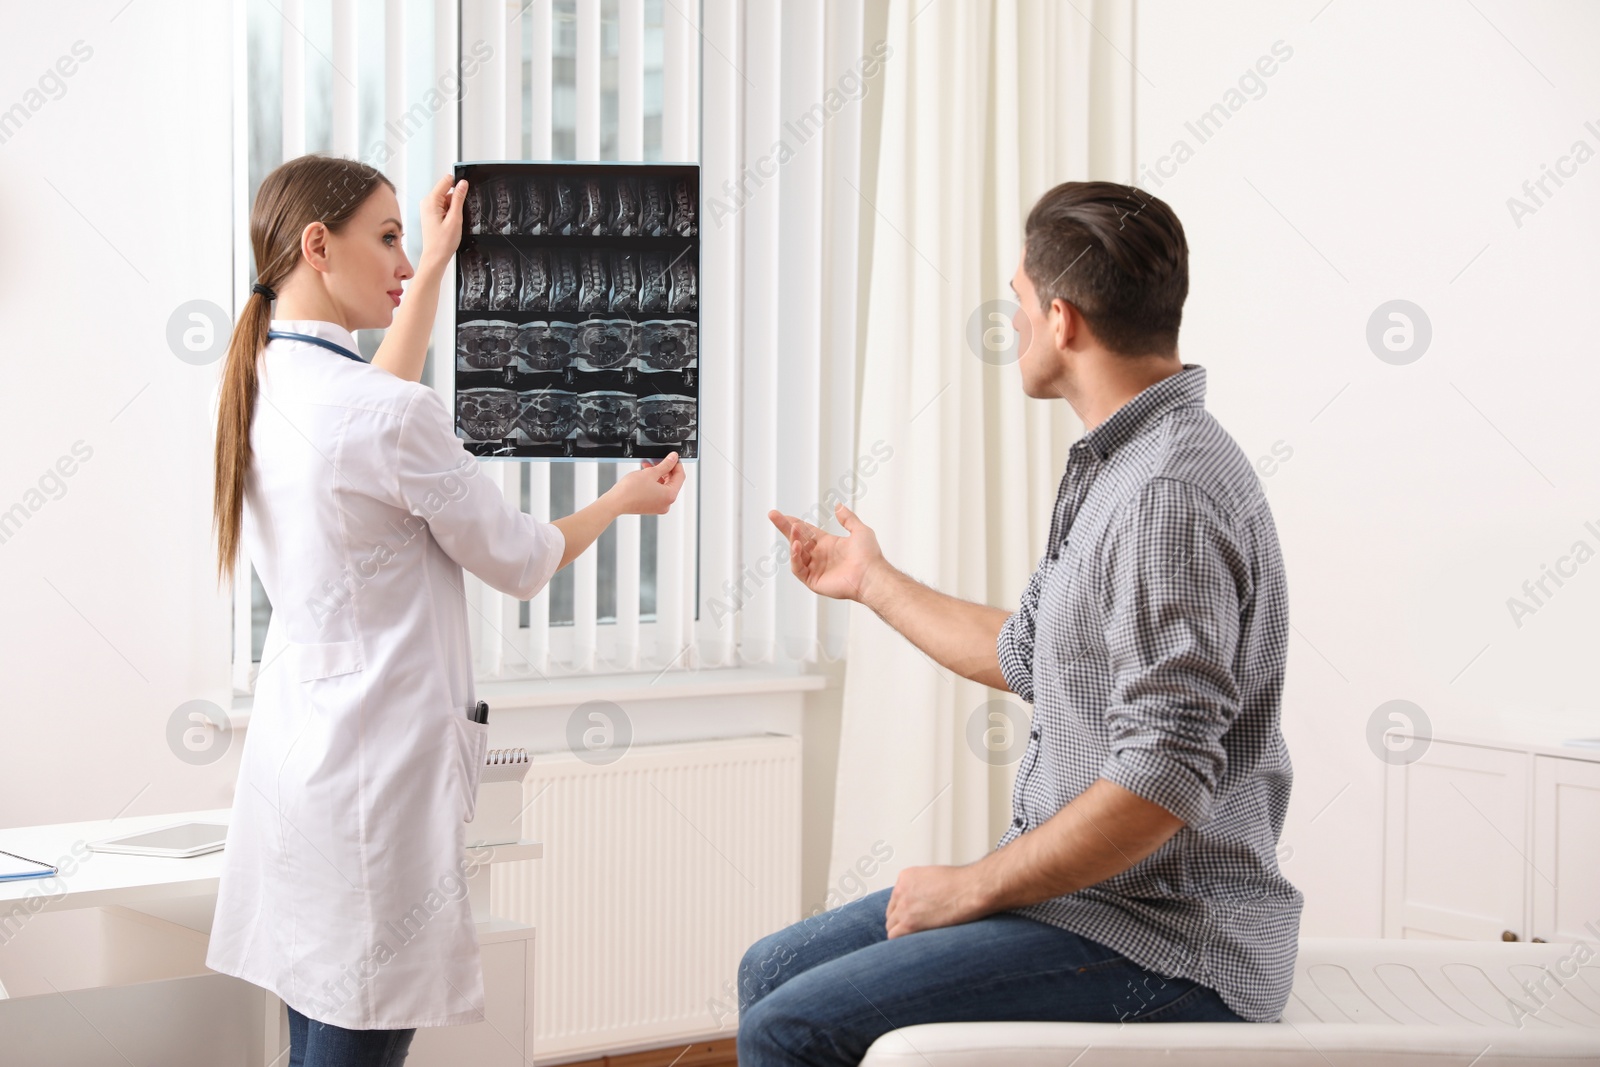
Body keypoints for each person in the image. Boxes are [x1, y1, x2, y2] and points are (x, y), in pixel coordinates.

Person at [745, 181, 1302, 1064]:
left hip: (1166, 943)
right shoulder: (1117, 465)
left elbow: (1163, 775)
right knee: (771, 972)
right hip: (1093, 905)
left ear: (1063, 318)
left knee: (793, 1027)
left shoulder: (1166, 494)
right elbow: (1033, 654)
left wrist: (970, 887)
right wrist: (872, 580)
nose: (1014, 326)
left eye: (1016, 303)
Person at [205, 154, 685, 1067]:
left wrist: (431, 264)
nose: (397, 257)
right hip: (373, 781)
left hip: (300, 769)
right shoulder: (386, 415)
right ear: (318, 244)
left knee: (317, 1035)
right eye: (384, 237)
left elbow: (376, 408)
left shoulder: (263, 384)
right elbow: (521, 558)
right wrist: (623, 499)